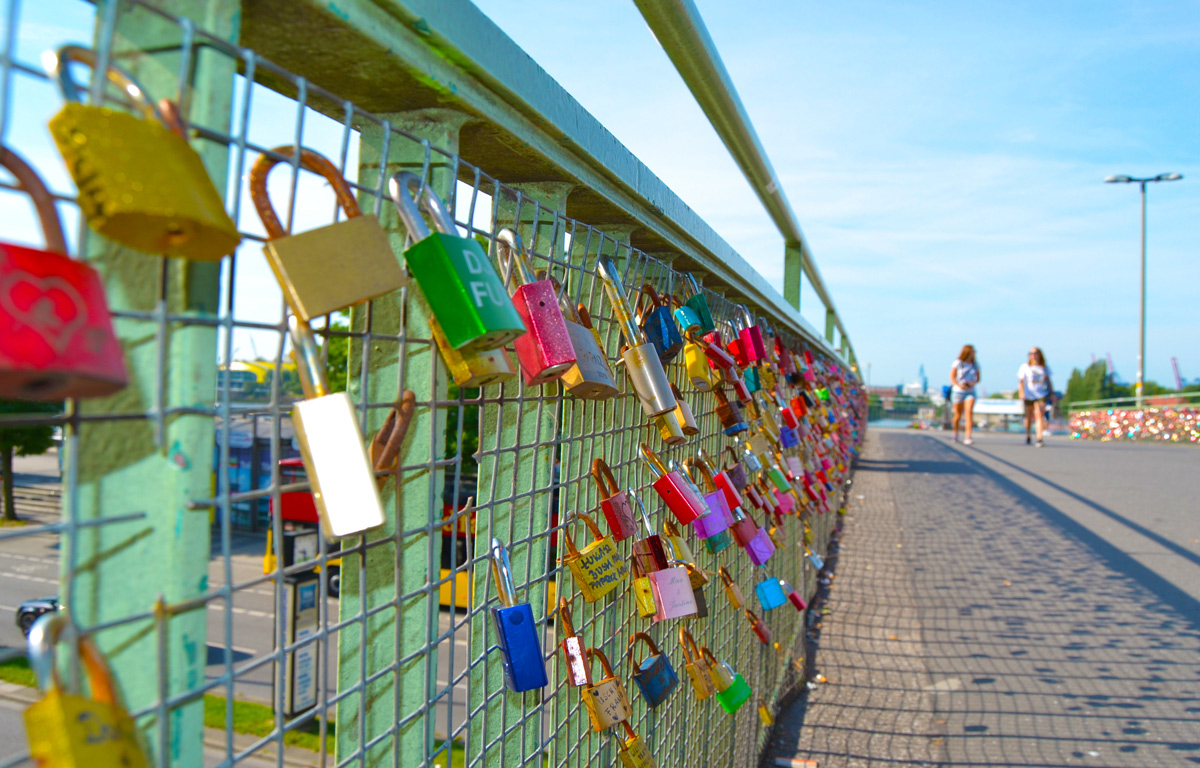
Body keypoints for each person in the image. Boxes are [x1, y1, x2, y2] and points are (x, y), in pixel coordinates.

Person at [1018, 347, 1053, 447]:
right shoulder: (1025, 367)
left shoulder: (1044, 367)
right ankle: (1028, 434)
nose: (1033, 355)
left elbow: (1048, 380)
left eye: (1035, 353)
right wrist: (1021, 393)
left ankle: (1039, 438)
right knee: (1028, 416)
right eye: (1031, 353)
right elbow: (1021, 381)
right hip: (1029, 394)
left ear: (1039, 354)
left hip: (1041, 394)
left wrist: (1051, 392)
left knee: (1039, 415)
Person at [949, 344, 979, 444]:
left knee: (969, 412)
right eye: (972, 351)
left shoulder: (975, 365)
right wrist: (960, 385)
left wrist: (972, 383)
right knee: (957, 414)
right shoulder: (958, 363)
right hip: (958, 391)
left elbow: (978, 378)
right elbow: (952, 377)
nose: (974, 353)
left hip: (970, 391)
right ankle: (955, 434)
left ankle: (968, 436)